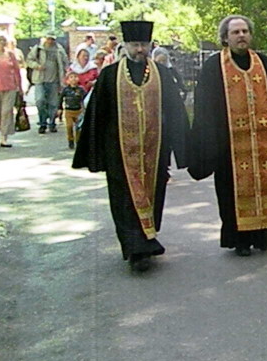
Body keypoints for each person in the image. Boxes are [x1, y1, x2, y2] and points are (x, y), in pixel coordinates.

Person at [73, 21, 190, 272]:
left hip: (154, 149)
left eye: (144, 45)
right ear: (125, 46)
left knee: (153, 194)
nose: (139, 50)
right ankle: (135, 248)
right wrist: (96, 154)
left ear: (150, 45)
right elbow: (98, 115)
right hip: (119, 151)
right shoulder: (110, 75)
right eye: (135, 45)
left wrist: (181, 149)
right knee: (124, 199)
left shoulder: (161, 74)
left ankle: (148, 237)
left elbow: (175, 112)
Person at [188, 15, 267, 256]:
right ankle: (240, 241)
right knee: (231, 193)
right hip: (229, 146)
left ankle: (265, 236)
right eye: (236, 32)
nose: (241, 36)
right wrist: (212, 142)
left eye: (245, 31)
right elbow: (205, 108)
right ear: (225, 38)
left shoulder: (264, 64)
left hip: (264, 145)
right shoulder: (214, 67)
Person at [26, 34, 68, 134]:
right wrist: (37, 66)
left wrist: (63, 78)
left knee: (53, 103)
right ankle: (42, 122)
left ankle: (52, 123)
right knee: (40, 101)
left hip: (54, 81)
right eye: (49, 39)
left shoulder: (59, 50)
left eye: (52, 39)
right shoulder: (38, 49)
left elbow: (65, 63)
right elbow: (29, 60)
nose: (50, 41)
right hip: (40, 80)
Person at [0, 34, 23, 148]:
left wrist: (20, 87)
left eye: (3, 40)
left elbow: (17, 71)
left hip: (10, 87)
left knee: (6, 112)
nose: (1, 42)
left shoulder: (10, 54)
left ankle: (4, 138)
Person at [60, 71, 86, 149]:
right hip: (68, 111)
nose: (73, 79)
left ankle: (78, 141)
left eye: (75, 77)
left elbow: (86, 98)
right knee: (69, 126)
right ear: (67, 80)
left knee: (78, 127)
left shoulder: (81, 89)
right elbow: (60, 99)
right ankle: (70, 140)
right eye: (71, 77)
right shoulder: (65, 90)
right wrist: (60, 108)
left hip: (78, 111)